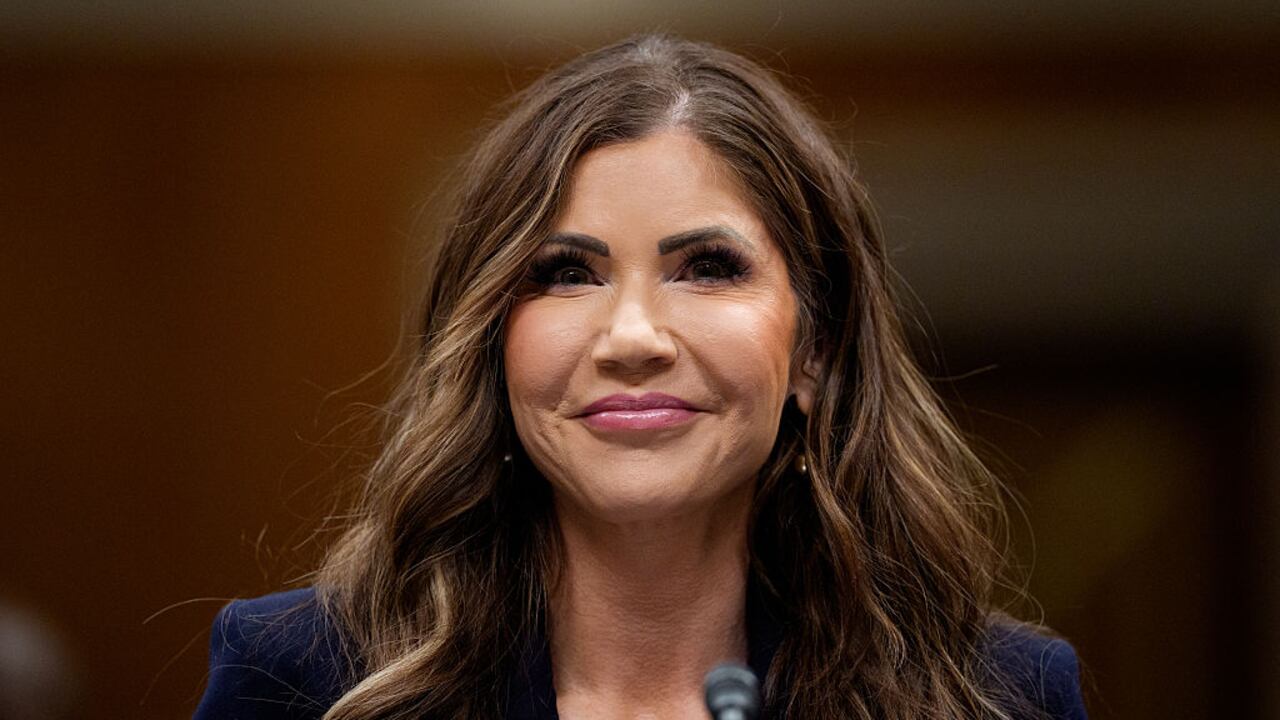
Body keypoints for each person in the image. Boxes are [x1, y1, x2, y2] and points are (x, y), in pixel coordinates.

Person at [195, 34, 1086, 720]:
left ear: (814, 352)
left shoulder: (996, 696)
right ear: (490, 344)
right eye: (566, 273)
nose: (631, 337)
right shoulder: (305, 677)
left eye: (706, 267)